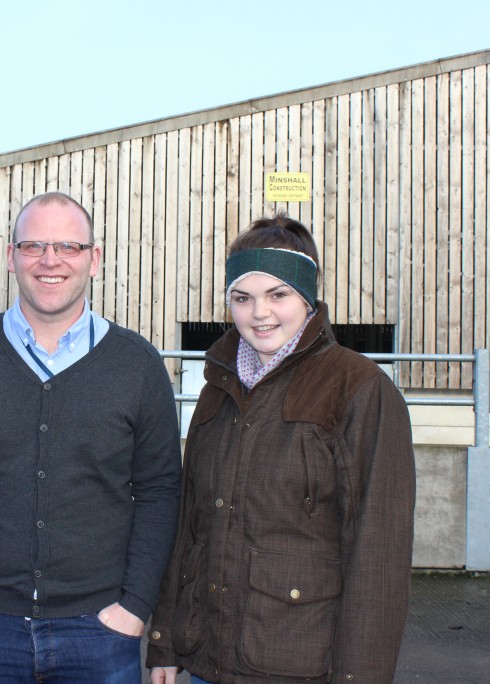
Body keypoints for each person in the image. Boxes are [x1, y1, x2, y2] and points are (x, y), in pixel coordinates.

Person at [0, 191, 182, 683]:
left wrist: (136, 606)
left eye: (68, 247)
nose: (50, 260)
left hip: (101, 631)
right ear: (10, 256)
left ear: (94, 259)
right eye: (33, 245)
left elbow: (161, 490)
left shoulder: (137, 364)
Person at [147, 213, 416, 684]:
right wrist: (165, 642)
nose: (260, 313)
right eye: (242, 297)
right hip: (203, 661)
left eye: (278, 294)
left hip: (299, 665)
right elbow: (189, 526)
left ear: (307, 297)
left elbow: (378, 557)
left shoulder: (359, 388)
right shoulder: (217, 385)